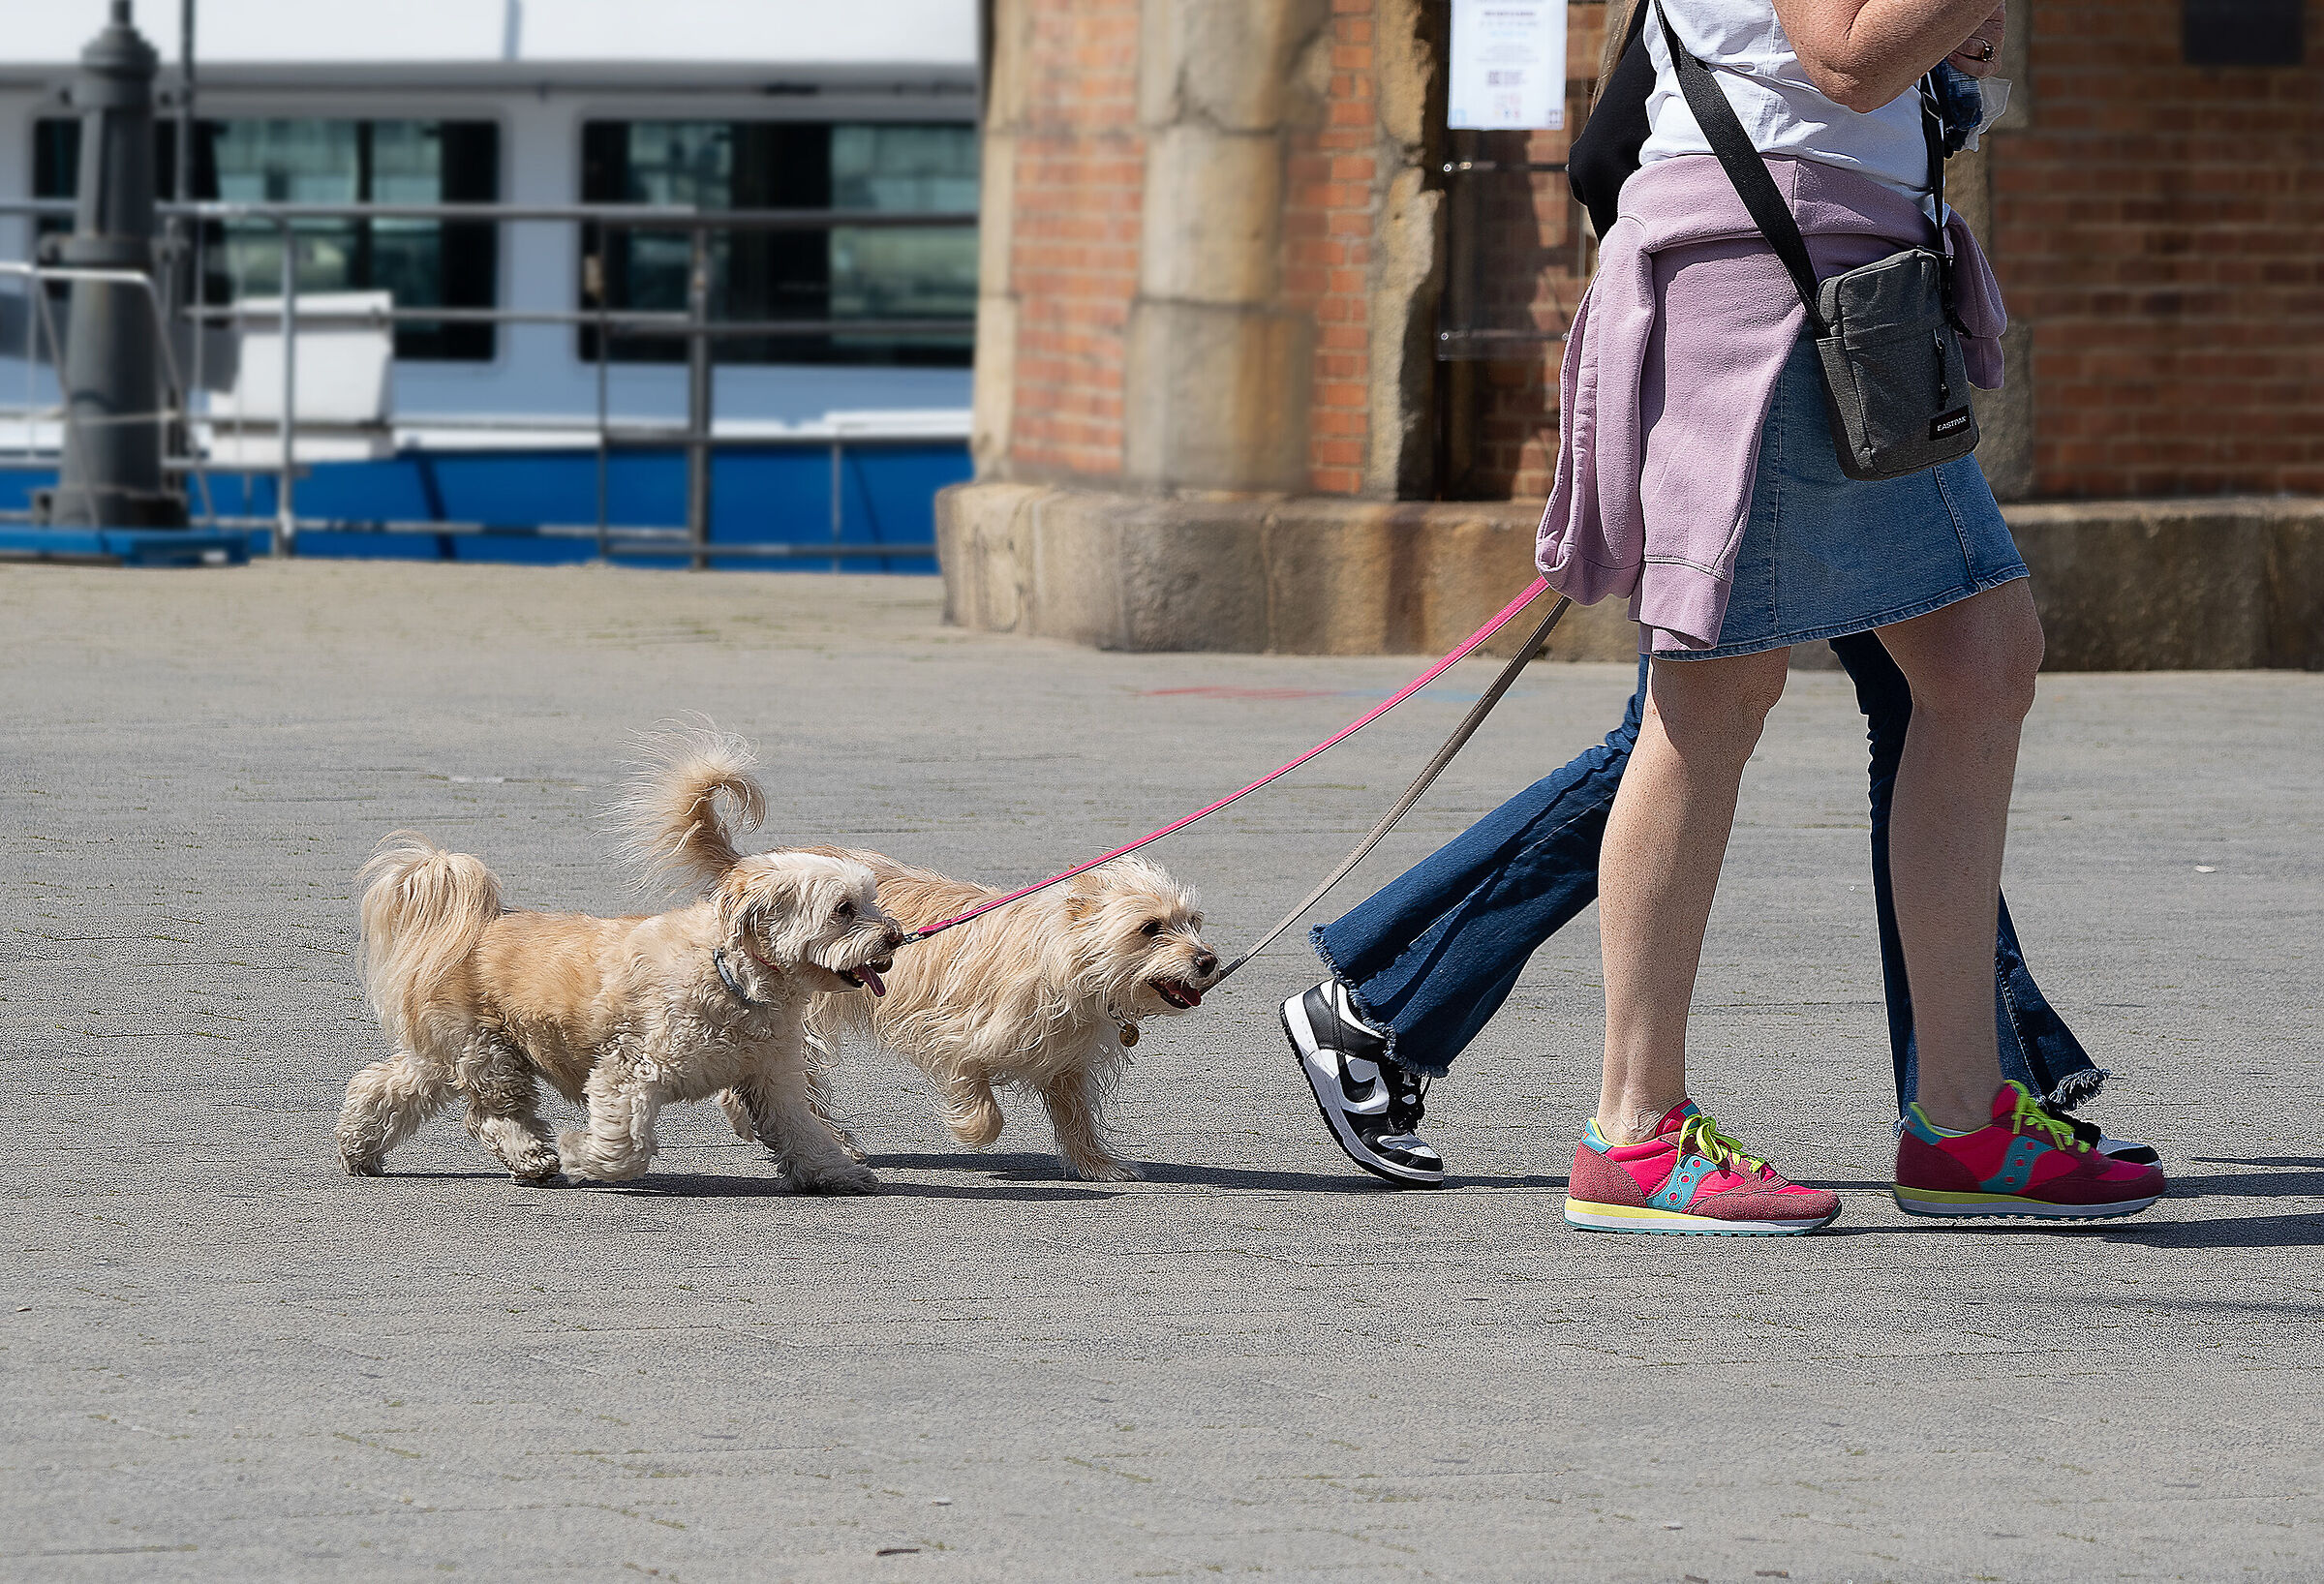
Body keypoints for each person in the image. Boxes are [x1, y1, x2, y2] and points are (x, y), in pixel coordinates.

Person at [1285, 0, 2165, 1233]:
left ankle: (1965, 1120)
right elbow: (1843, 55)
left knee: (1977, 656)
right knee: (1711, 695)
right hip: (1764, 273)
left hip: (1852, 271)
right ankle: (1634, 1128)